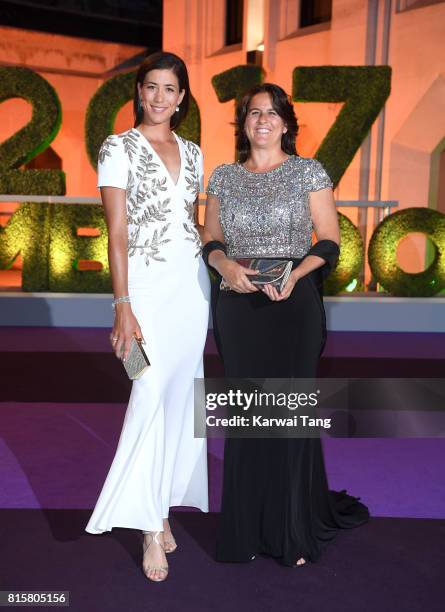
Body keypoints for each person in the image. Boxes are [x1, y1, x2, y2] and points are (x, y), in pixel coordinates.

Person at [203, 83, 369, 567]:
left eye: (272, 113)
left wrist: (296, 274)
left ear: (286, 123)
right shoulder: (224, 177)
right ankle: (248, 529)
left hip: (293, 304)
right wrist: (224, 265)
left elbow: (331, 241)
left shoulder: (308, 171)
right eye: (254, 113)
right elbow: (210, 235)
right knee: (249, 417)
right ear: (243, 123)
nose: (263, 120)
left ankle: (290, 530)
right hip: (237, 306)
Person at [85, 52, 210, 582]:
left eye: (170, 89)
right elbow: (116, 232)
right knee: (149, 393)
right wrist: (122, 306)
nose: (160, 97)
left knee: (181, 401)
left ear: (182, 98)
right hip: (143, 294)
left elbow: (194, 225)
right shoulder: (117, 147)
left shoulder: (196, 152)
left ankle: (159, 510)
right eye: (151, 87)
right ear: (139, 91)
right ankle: (144, 526)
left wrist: (235, 260)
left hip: (193, 292)